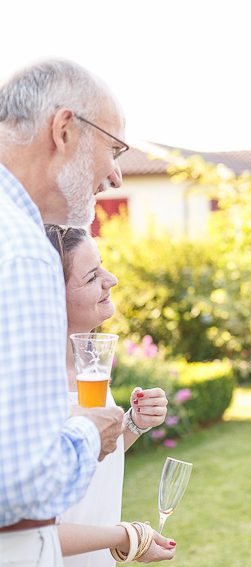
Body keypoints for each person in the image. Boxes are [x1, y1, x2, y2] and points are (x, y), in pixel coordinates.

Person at [1, 59, 128, 565]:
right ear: (65, 129)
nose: (115, 176)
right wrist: (87, 431)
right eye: (113, 149)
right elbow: (23, 485)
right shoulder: (22, 250)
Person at [45, 224, 175, 565]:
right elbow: (31, 530)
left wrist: (132, 423)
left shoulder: (88, 367)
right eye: (91, 277)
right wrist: (128, 536)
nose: (112, 279)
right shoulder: (35, 388)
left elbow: (87, 459)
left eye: (102, 265)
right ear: (51, 296)